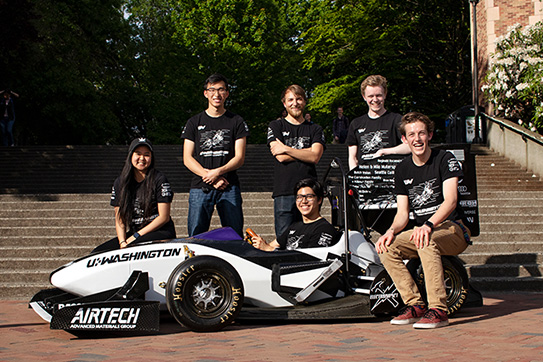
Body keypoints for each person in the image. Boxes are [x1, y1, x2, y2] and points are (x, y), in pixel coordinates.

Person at [375, 112, 472, 329]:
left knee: (425, 239)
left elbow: (451, 201)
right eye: (411, 134)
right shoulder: (402, 169)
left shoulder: (444, 158)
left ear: (429, 135)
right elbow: (402, 214)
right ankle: (415, 305)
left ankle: (438, 309)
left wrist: (428, 225)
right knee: (385, 247)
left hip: (453, 228)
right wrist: (390, 231)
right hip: (423, 230)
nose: (417, 139)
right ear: (404, 139)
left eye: (421, 133)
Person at [181, 73, 249, 238]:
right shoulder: (193, 122)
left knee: (234, 235)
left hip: (229, 186)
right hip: (200, 186)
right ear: (206, 93)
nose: (216, 94)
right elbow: (187, 158)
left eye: (221, 90)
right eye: (212, 90)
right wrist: (209, 175)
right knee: (196, 236)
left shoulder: (236, 121)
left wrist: (217, 172)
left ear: (226, 93)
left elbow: (239, 157)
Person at [92, 138, 176, 253]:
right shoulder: (120, 182)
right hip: (134, 233)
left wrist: (135, 236)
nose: (142, 158)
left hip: (160, 232)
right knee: (98, 252)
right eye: (138, 154)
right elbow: (119, 218)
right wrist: (122, 242)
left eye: (146, 155)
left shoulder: (159, 179)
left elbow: (163, 217)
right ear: (131, 156)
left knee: (135, 246)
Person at [267, 84, 326, 239]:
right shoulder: (276, 125)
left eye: (299, 99)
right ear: (284, 103)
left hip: (310, 191)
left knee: (310, 237)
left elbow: (315, 157)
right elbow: (279, 156)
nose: (295, 103)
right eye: (290, 99)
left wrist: (285, 148)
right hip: (284, 191)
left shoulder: (315, 129)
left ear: (305, 102)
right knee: (284, 239)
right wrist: (306, 152)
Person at [251, 179, 340, 251]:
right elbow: (271, 245)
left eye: (309, 197)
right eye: (299, 197)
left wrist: (270, 249)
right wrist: (259, 245)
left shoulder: (324, 229)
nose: (304, 201)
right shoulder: (294, 226)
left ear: (319, 200)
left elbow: (313, 260)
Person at [346, 75, 410, 170]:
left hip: (390, 177)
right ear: (364, 97)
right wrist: (354, 178)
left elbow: (409, 146)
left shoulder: (396, 119)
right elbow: (352, 157)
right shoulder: (356, 123)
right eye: (371, 96)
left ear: (385, 94)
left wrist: (385, 152)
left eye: (379, 95)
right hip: (365, 178)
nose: (375, 100)